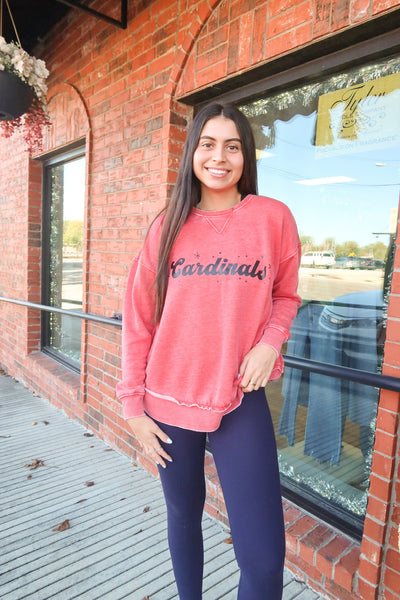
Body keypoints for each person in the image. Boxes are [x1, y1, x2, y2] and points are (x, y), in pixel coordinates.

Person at [116, 102, 301, 600]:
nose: (220, 157)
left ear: (246, 156)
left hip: (240, 398)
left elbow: (285, 295)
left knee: (264, 558)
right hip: (167, 402)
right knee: (183, 516)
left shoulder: (273, 219)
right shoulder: (166, 226)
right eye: (208, 143)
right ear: (192, 152)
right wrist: (132, 405)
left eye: (233, 146)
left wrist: (269, 343)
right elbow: (139, 321)